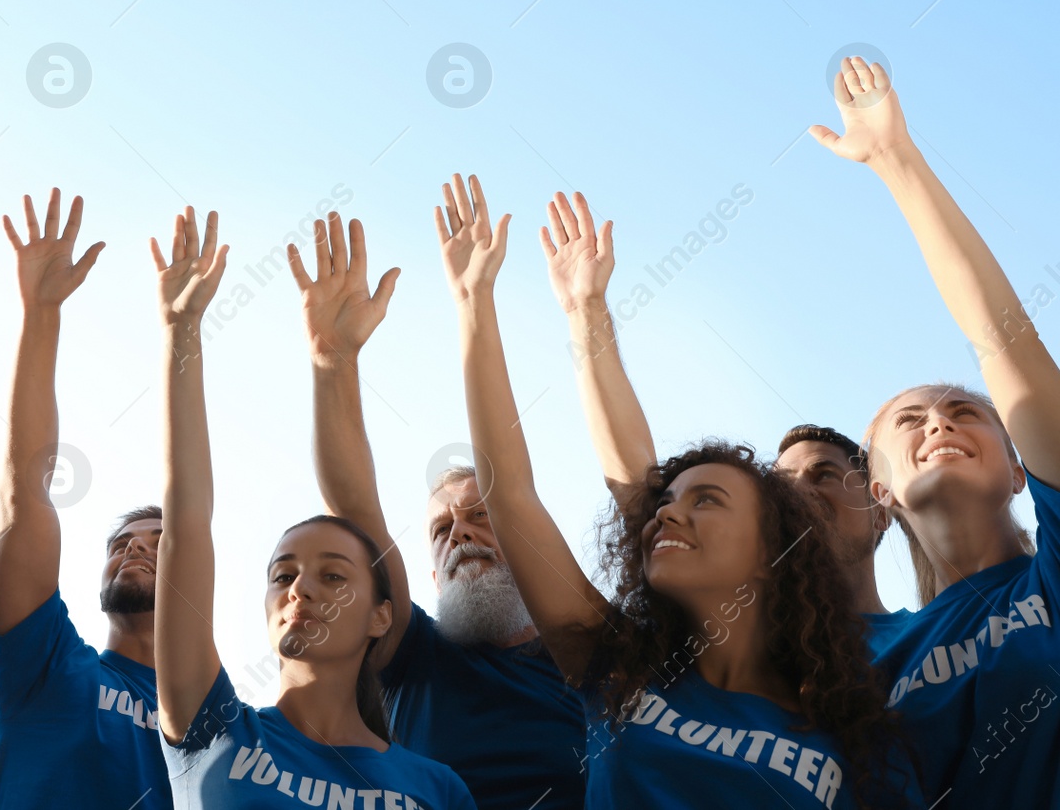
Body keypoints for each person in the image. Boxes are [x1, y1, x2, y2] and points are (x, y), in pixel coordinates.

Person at [438, 173, 920, 809]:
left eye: (707, 501)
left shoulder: (856, 732)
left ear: (769, 546)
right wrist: (475, 301)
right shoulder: (618, 667)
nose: (666, 514)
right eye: (666, 503)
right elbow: (512, 495)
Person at [151, 206, 477, 809]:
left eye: (333, 575)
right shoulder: (214, 730)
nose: (300, 588)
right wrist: (182, 330)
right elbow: (188, 520)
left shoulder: (437, 789)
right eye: (283, 575)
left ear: (383, 615)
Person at [812, 56, 1056, 807]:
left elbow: (999, 337)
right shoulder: (864, 657)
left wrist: (896, 159)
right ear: (879, 490)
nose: (940, 421)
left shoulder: (1050, 575)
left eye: (965, 410)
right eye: (909, 421)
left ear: (1022, 468)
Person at [289, 209, 585, 808]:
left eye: (480, 515)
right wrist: (333, 362)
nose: (460, 534)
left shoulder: (590, 660)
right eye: (441, 529)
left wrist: (475, 298)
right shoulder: (416, 655)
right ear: (428, 574)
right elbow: (353, 508)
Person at [540, 188, 891, 615]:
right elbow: (637, 486)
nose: (799, 492)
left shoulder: (929, 642)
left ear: (880, 512)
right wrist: (585, 308)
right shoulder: (735, 643)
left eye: (823, 475)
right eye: (782, 486)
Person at [0, 188, 171, 809]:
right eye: (121, 544)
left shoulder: (222, 719)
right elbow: (25, 491)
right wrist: (42, 314)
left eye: (158, 543)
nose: (133, 550)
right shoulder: (49, 661)